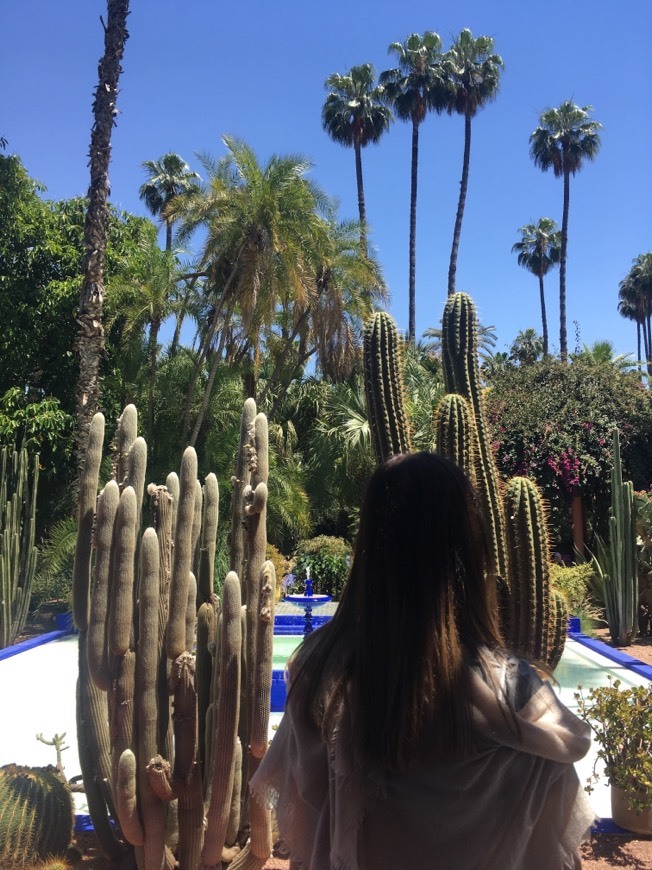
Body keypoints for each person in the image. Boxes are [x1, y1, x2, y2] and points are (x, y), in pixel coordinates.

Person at [251, 452, 595, 869]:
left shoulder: (321, 676)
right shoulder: (522, 703)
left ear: (370, 552)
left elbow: (306, 833)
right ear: (470, 552)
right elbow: (553, 848)